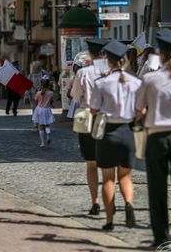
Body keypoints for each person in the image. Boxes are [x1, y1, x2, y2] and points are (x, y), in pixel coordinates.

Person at [135, 34, 171, 249]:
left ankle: (161, 237)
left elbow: (139, 110)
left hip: (157, 136)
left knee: (157, 189)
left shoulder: (151, 79)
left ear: (160, 55)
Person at [90, 41, 140, 231]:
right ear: (126, 62)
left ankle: (110, 220)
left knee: (108, 178)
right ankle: (128, 203)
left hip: (109, 132)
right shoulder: (136, 82)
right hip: (128, 131)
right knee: (126, 177)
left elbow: (94, 108)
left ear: (109, 62)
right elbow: (140, 109)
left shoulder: (102, 83)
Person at [70, 38, 108, 216]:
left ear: (90, 54)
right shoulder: (111, 71)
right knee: (109, 165)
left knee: (91, 164)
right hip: (108, 119)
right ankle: (111, 201)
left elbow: (75, 97)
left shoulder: (83, 73)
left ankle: (95, 202)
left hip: (88, 119)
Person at [32, 75, 54, 148]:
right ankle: (48, 134)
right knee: (47, 125)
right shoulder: (51, 93)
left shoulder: (38, 93)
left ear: (41, 84)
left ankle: (42, 143)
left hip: (40, 110)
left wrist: (35, 93)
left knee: (41, 126)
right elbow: (51, 101)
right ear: (48, 84)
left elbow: (35, 100)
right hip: (47, 109)